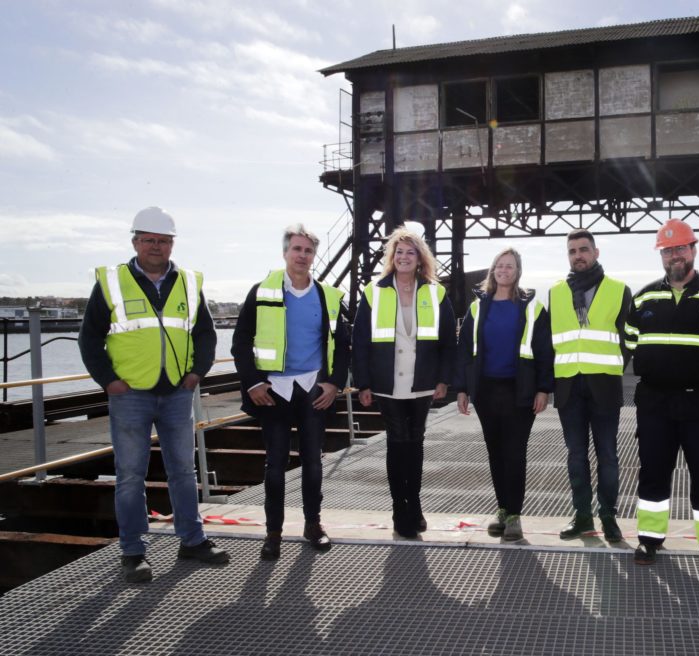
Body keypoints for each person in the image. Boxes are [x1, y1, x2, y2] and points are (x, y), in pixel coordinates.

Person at [78, 206, 229, 582]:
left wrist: (197, 373)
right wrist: (108, 381)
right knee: (130, 475)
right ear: (135, 242)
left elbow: (204, 334)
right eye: (149, 240)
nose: (156, 247)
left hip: (178, 393)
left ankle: (192, 540)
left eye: (163, 241)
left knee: (183, 470)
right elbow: (90, 337)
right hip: (130, 394)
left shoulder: (189, 282)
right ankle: (133, 552)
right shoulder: (113, 281)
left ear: (172, 244)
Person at [625, 219, 699, 572]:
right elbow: (632, 341)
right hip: (655, 402)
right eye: (667, 250)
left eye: (680, 248)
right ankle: (649, 539)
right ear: (661, 256)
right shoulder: (644, 297)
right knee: (652, 471)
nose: (674, 255)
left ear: (693, 249)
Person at [232, 224, 350, 560]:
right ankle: (273, 533)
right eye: (296, 249)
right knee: (275, 465)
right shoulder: (262, 291)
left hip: (314, 390)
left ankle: (313, 525)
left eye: (308, 250)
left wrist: (334, 383)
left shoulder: (328, 296)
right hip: (275, 392)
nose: (302, 256)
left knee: (313, 462)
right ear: (285, 253)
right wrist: (253, 382)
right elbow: (241, 343)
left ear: (314, 256)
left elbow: (342, 346)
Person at [352, 225, 456, 538]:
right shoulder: (375, 291)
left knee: (416, 442)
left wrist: (444, 379)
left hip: (422, 380)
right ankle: (400, 508)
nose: (404, 257)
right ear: (392, 257)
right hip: (387, 381)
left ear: (420, 258)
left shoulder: (436, 292)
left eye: (410, 252)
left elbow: (449, 340)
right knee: (397, 441)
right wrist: (363, 383)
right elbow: (360, 341)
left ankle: (416, 505)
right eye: (399, 252)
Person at [454, 248, 555, 542]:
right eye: (499, 265)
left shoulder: (533, 307)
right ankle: (502, 508)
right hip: (486, 391)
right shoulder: (477, 307)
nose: (503, 270)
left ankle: (514, 515)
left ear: (518, 271)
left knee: (514, 452)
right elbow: (465, 352)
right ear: (492, 270)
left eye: (509, 266)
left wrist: (544, 388)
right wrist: (462, 388)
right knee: (495, 452)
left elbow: (545, 350)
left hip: (519, 391)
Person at [548, 229, 632, 543]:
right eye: (572, 251)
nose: (578, 255)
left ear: (596, 253)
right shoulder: (556, 292)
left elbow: (628, 340)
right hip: (568, 385)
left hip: (604, 386)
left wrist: (612, 369)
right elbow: (550, 340)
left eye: (584, 249)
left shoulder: (619, 290)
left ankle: (608, 516)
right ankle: (582, 516)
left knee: (608, 455)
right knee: (576, 455)